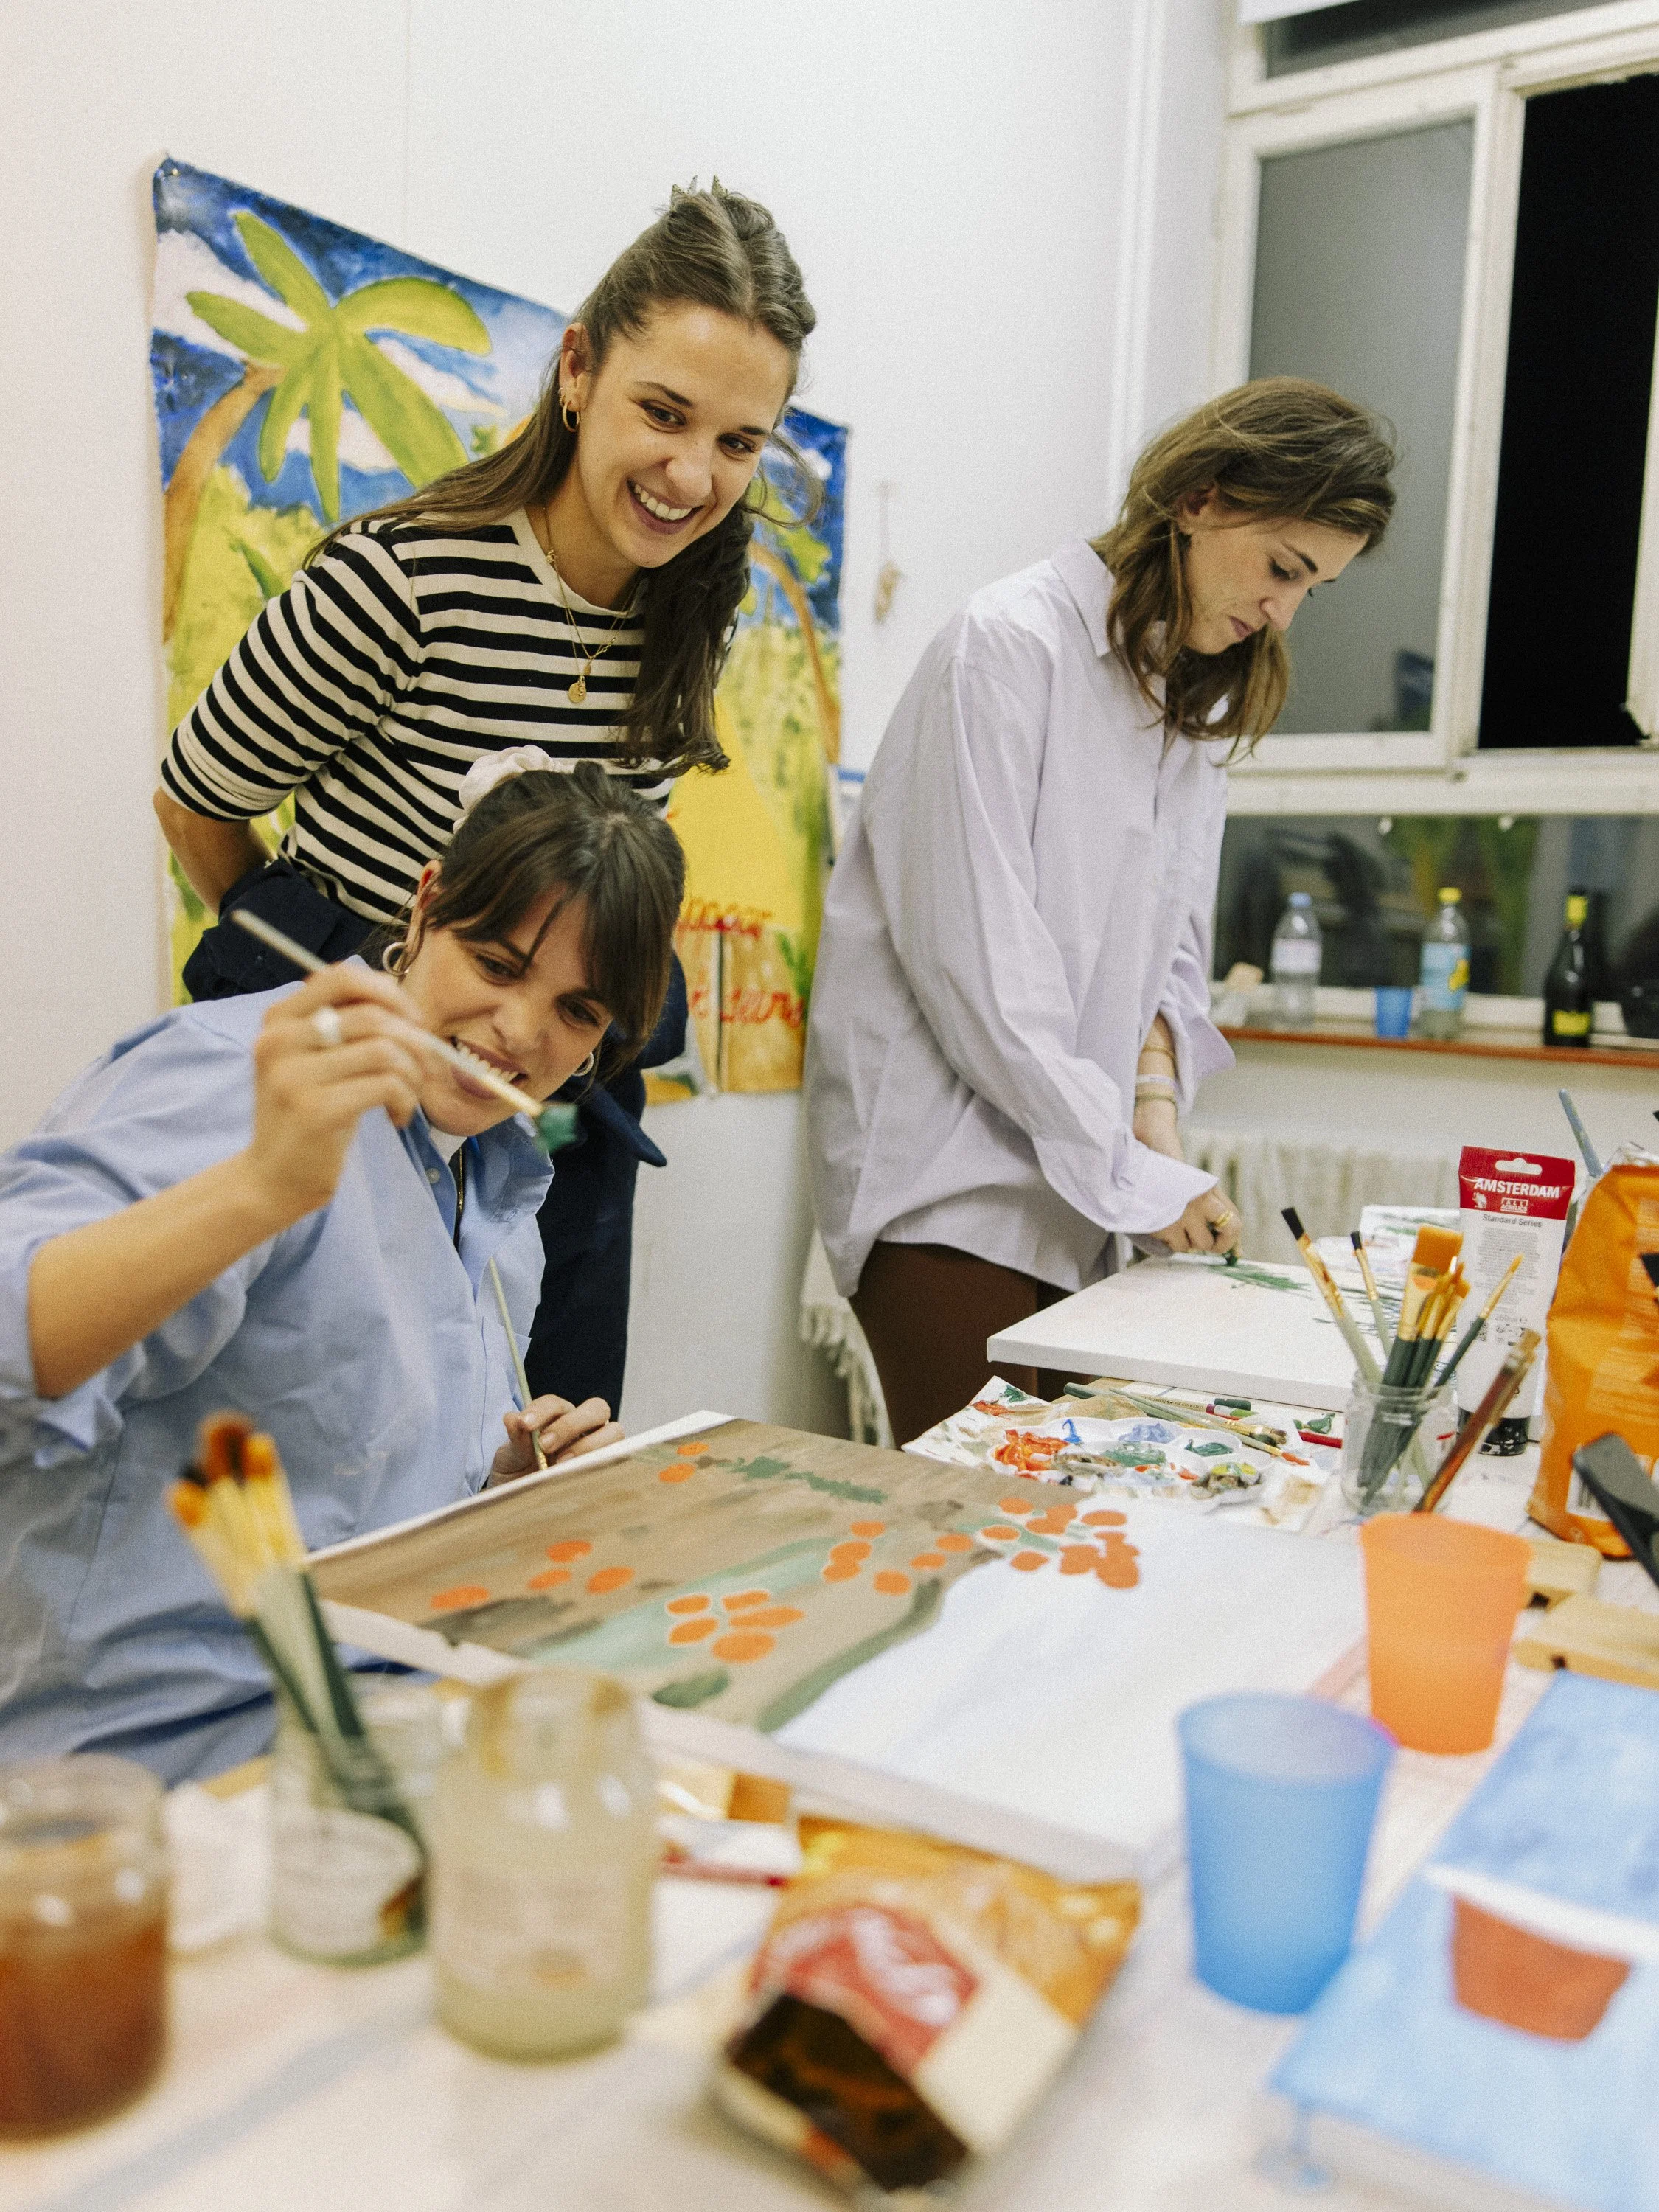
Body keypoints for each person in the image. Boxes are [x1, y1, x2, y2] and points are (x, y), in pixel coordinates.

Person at [154, 182, 817, 1421]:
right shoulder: (401, 579)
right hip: (352, 1105)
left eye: (736, 444)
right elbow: (197, 798)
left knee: (548, 1453)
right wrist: (333, 977)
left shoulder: (686, 622)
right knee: (350, 1453)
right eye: (662, 414)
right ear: (577, 370)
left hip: (557, 1123)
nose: (690, 475)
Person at [0, 762, 683, 1783]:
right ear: (426, 903)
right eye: (495, 964)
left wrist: (502, 1486)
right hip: (151, 1776)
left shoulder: (499, 1196)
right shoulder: (236, 1079)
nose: (519, 1034)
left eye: (576, 1013)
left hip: (371, 1742)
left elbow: (358, 1467)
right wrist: (262, 1186)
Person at [805, 378, 1397, 1446]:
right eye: (1280, 568)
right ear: (1201, 498)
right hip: (946, 1173)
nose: (1282, 612)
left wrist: (1155, 1133)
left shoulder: (1188, 703)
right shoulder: (1008, 646)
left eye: (1315, 587)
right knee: (978, 1530)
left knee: (1063, 1532)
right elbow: (979, 967)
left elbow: (1167, 954)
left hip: (1073, 1175)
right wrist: (1130, 1173)